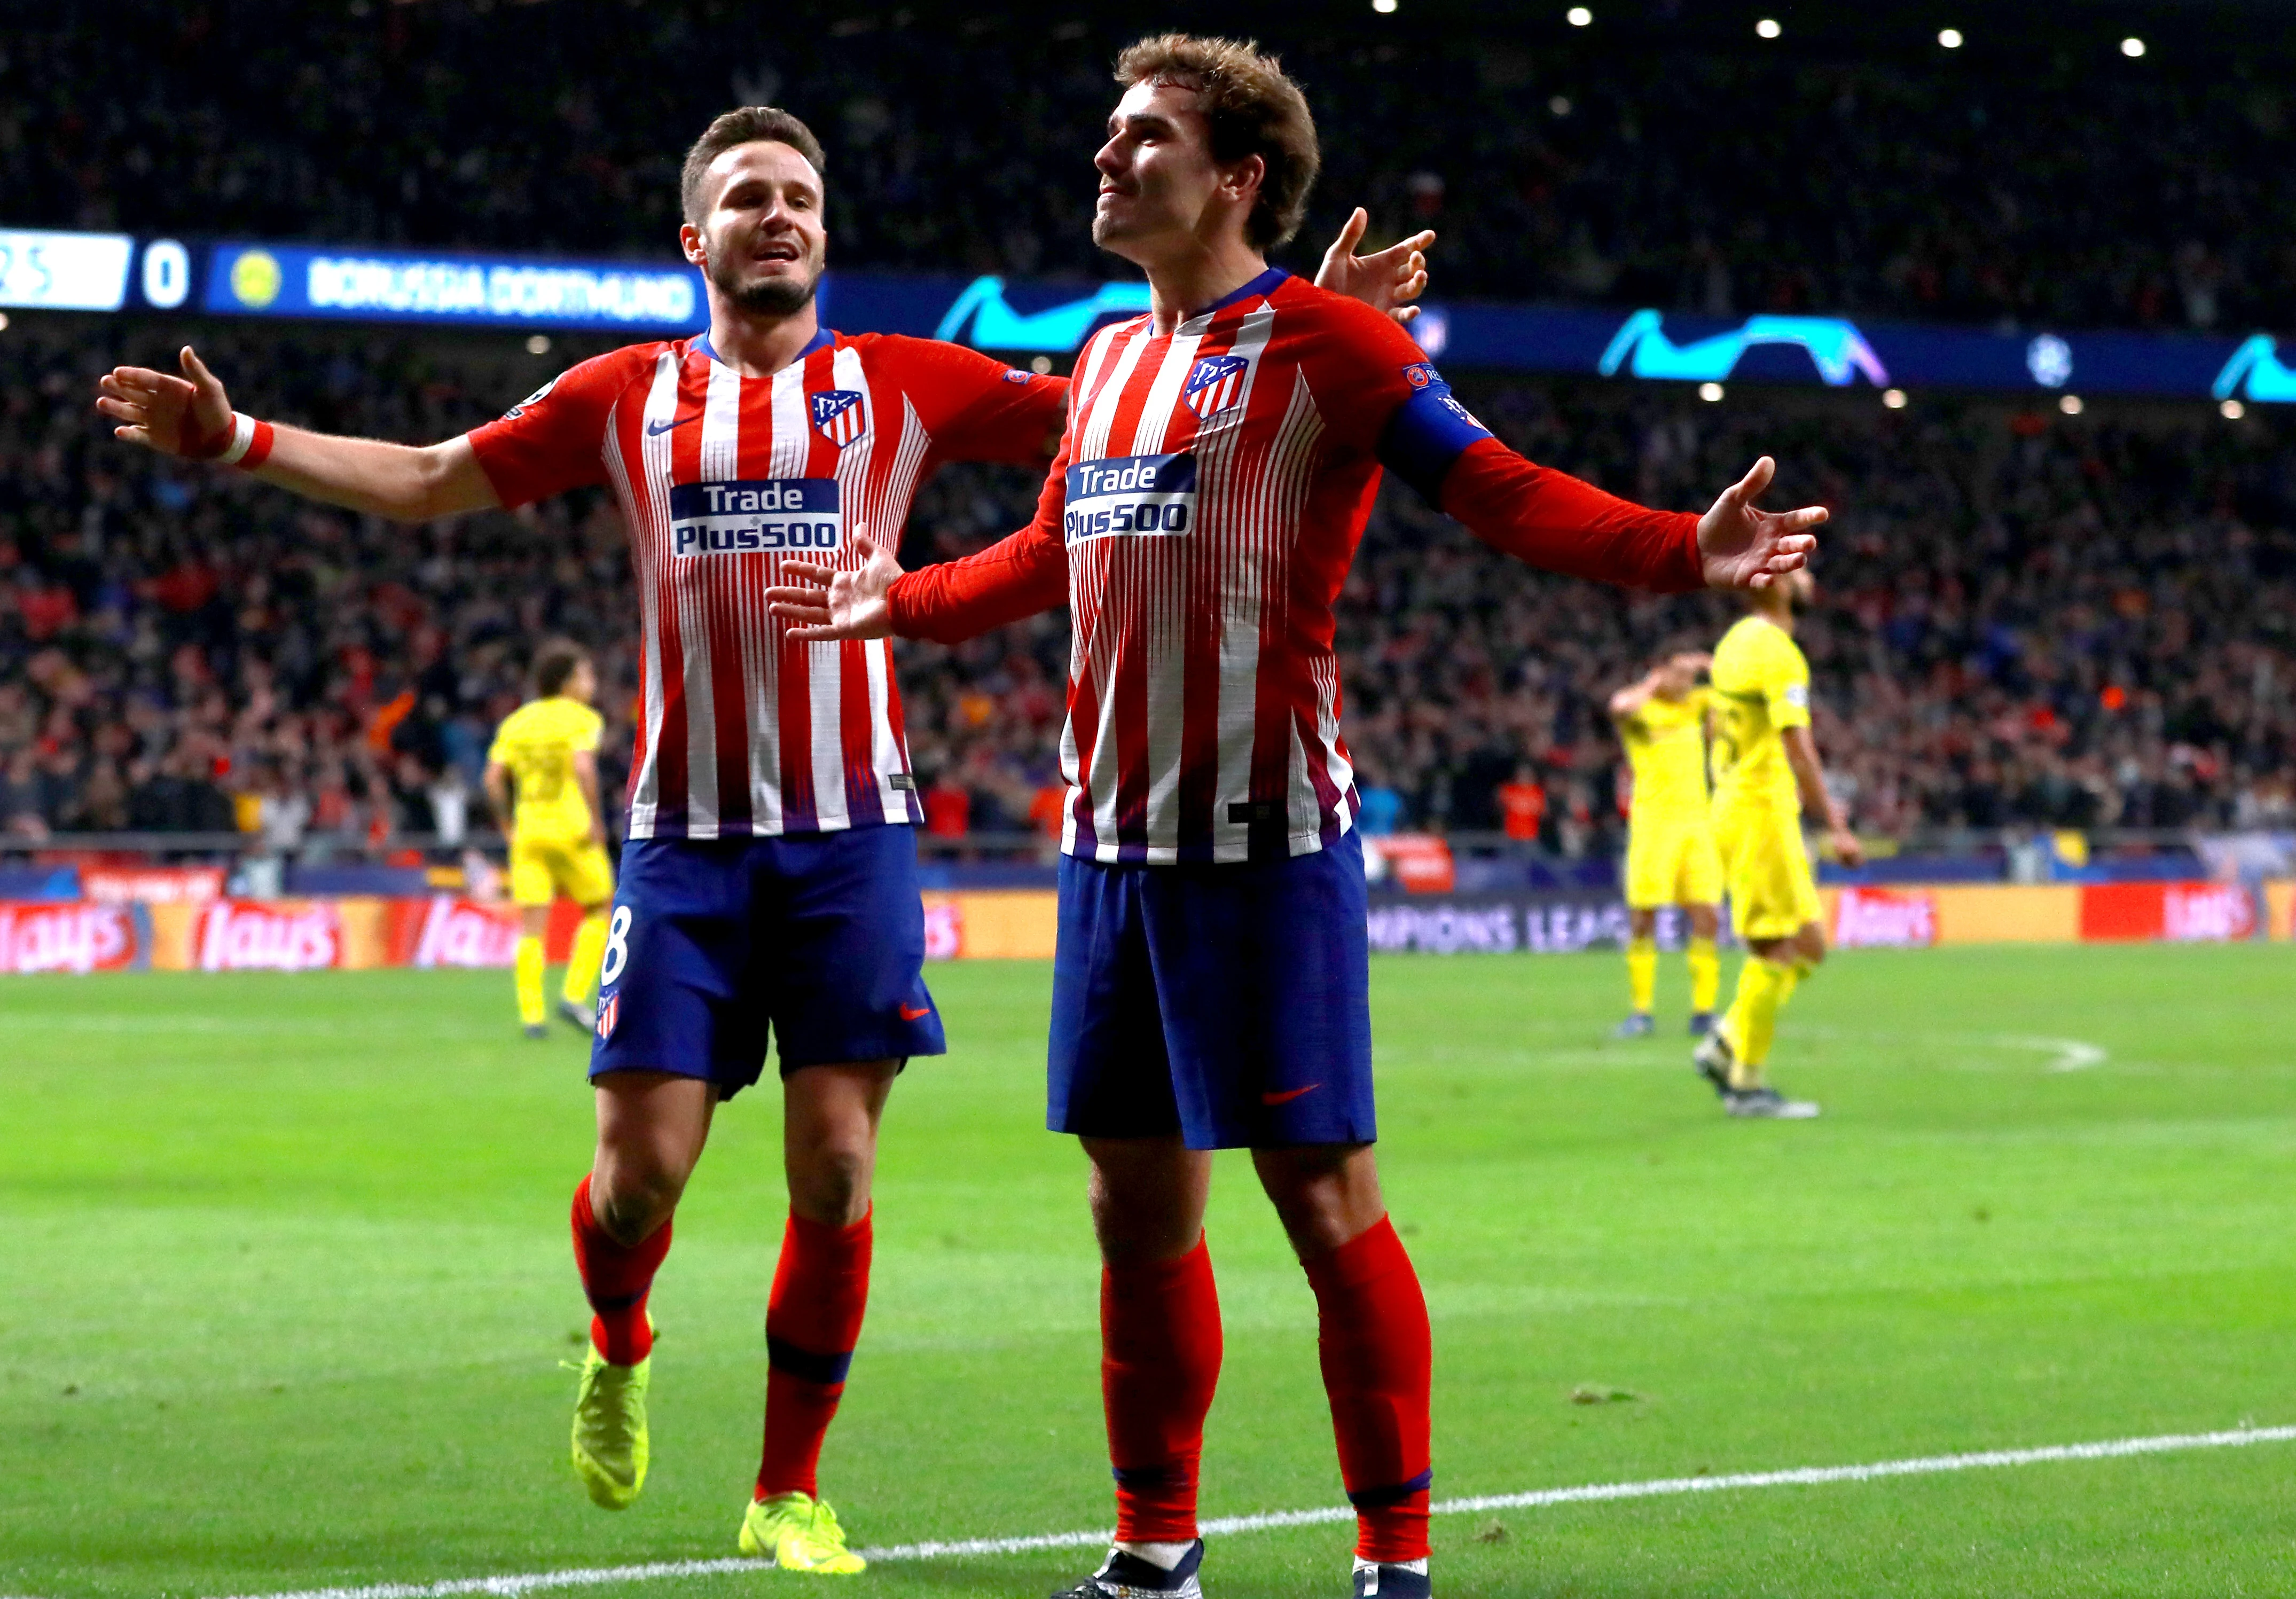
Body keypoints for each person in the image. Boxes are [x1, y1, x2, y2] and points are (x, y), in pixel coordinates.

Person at [98, 103, 1433, 1573]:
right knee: (639, 1178)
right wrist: (240, 437)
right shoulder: (622, 395)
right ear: (698, 238)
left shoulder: (901, 383)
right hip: (683, 842)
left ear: (824, 231)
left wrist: (1310, 331)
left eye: (799, 196)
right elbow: (426, 479)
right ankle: (619, 1341)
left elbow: (1153, 392)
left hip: (853, 835)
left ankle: (785, 1487)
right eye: (747, 198)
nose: (778, 216)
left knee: (840, 1169)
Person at [766, 36, 1824, 1599]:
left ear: (1235, 176)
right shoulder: (1113, 360)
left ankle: (1390, 1556)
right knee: (1131, 1212)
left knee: (1323, 1202)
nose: (1107, 158)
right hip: (1112, 858)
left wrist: (1682, 547)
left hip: (1268, 856)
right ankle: (1152, 1548)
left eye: (1144, 138)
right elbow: (1047, 554)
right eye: (1107, 134)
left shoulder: (1332, 345)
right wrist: (897, 598)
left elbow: (1499, 486)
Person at [1693, 570, 1863, 1118]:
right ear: (1780, 590)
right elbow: (1799, 748)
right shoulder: (1778, 653)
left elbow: (1714, 728)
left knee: (1810, 944)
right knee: (1775, 950)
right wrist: (1834, 824)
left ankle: (1725, 1044)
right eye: (1798, 570)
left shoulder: (1733, 642)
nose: (1806, 574)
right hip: (1758, 811)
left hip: (1753, 808)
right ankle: (1746, 1085)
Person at [486, 640, 614, 1039]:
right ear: (567, 682)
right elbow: (583, 768)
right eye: (586, 675)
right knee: (600, 909)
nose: (591, 683)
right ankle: (574, 995)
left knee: (531, 927)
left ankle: (532, 1018)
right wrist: (596, 818)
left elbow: (492, 779)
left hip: (528, 830)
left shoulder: (517, 722)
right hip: (572, 829)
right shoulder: (580, 718)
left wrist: (507, 825)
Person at [1607, 650, 1725, 1038]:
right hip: (1653, 829)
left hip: (1696, 826)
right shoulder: (1643, 713)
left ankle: (1703, 1011)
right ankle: (1641, 1012)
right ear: (1659, 677)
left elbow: (1736, 688)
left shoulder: (1696, 705)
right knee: (1644, 919)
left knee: (1706, 915)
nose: (1687, 685)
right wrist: (1652, 684)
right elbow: (1618, 706)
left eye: (1690, 679)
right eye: (1679, 677)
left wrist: (1708, 665)